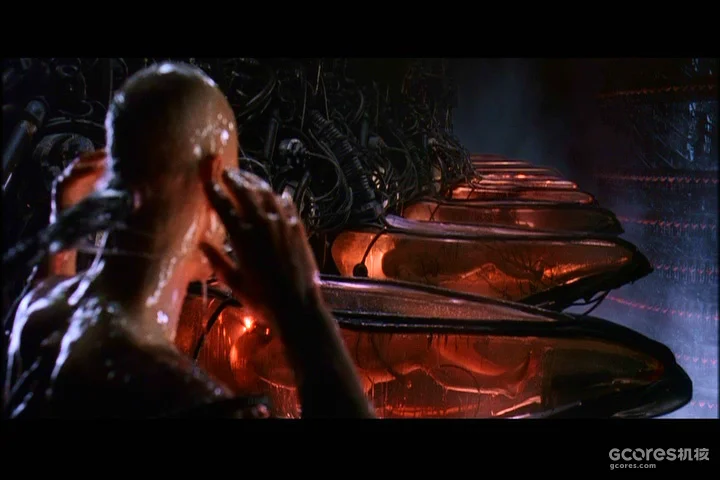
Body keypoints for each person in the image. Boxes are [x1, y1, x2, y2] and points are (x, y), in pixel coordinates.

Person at [3, 62, 374, 419]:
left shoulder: (39, 312)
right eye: (231, 178)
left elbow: (57, 297)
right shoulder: (194, 403)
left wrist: (63, 232)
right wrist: (303, 309)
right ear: (211, 182)